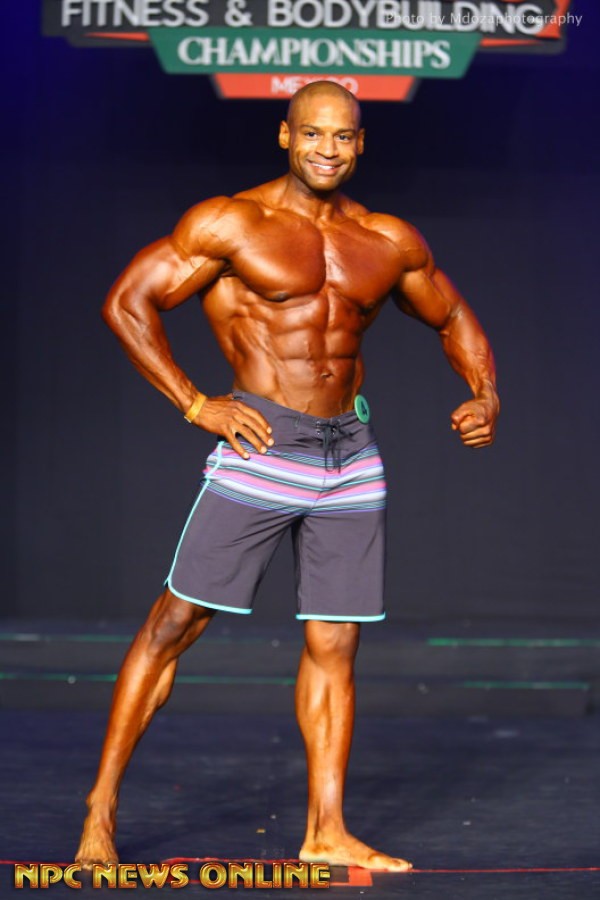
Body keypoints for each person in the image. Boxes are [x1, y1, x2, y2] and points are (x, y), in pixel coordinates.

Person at [75, 81, 499, 872]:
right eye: (312, 134)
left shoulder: (387, 238)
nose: (326, 149)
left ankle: (325, 831)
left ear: (360, 144)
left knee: (335, 643)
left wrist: (485, 392)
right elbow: (128, 302)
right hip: (265, 445)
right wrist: (194, 402)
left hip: (351, 456)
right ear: (285, 135)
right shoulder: (232, 222)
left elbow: (450, 315)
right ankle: (100, 808)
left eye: (342, 137)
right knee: (175, 624)